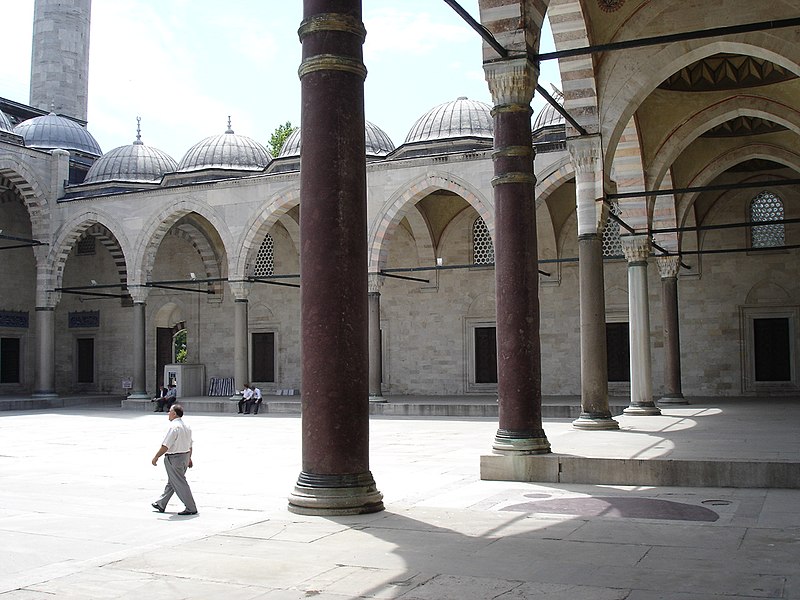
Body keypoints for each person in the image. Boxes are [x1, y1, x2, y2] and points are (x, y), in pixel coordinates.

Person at [151, 404, 197, 515]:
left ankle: (191, 507)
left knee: (180, 482)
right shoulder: (186, 426)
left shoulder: (174, 427)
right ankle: (161, 503)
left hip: (174, 458)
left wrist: (156, 456)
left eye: (170, 411)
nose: (168, 413)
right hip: (184, 456)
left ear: (174, 413)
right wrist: (189, 458)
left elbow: (166, 445)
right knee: (173, 481)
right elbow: (190, 445)